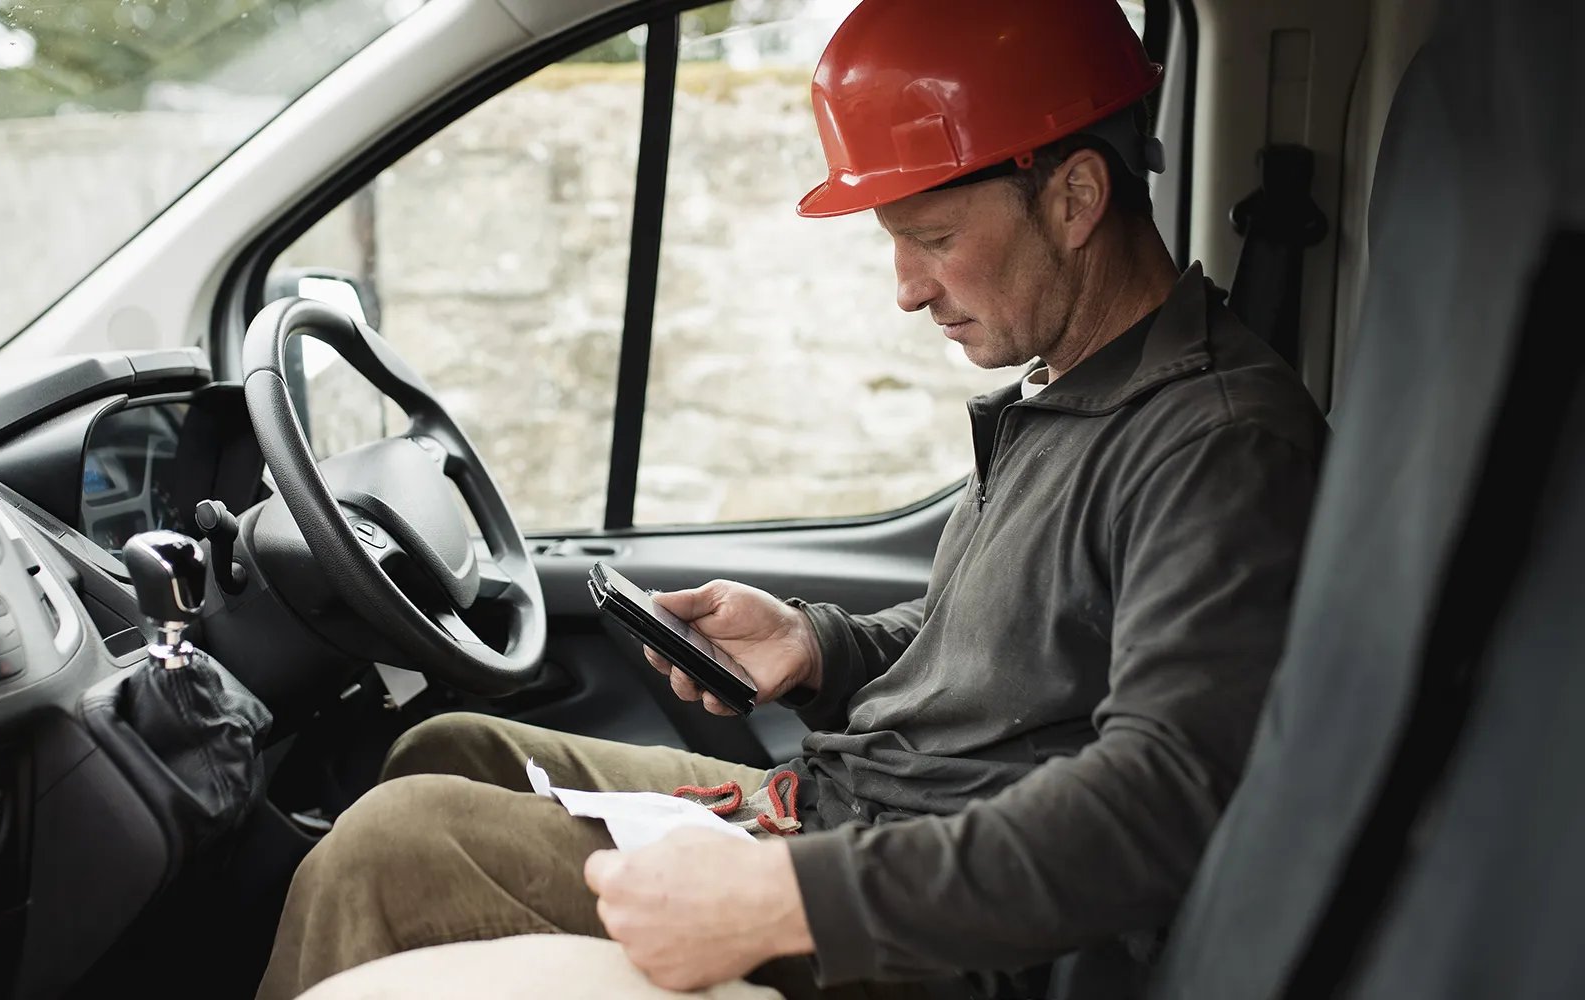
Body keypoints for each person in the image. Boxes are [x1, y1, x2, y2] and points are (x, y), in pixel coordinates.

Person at [256, 0, 1327, 996]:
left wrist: (790, 899)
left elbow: (1167, 798)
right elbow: (1012, 648)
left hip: (932, 936)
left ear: (1075, 197)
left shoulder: (1214, 443)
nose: (904, 288)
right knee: (450, 749)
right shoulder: (1078, 388)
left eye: (934, 238)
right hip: (843, 814)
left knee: (390, 850)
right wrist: (817, 645)